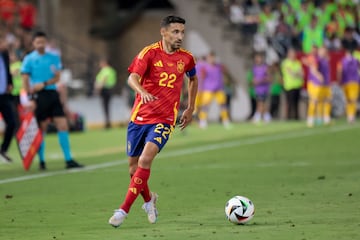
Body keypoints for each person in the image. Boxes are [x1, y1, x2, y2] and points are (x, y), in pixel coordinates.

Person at [108, 15, 198, 228]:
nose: (180, 36)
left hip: (165, 120)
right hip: (139, 118)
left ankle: (123, 210)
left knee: (145, 160)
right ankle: (149, 201)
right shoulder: (148, 53)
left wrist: (191, 107)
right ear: (163, 32)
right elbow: (132, 78)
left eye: (182, 32)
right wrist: (142, 91)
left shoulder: (186, 58)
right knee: (133, 169)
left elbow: (193, 79)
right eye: (176, 32)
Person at [21, 31, 83, 170]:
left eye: (42, 42)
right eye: (38, 42)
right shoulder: (29, 59)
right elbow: (25, 79)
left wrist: (44, 83)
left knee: (62, 124)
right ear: (33, 43)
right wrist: (29, 98)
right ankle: (42, 161)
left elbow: (57, 77)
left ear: (46, 42)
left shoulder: (53, 57)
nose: (40, 44)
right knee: (41, 127)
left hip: (52, 93)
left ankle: (68, 159)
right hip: (39, 97)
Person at [197, 52, 231, 129]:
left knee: (223, 105)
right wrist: (200, 89)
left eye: (213, 57)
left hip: (219, 89)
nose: (212, 59)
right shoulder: (204, 67)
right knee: (205, 106)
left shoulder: (219, 66)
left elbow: (226, 71)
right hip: (208, 89)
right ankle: (203, 121)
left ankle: (225, 120)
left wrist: (226, 79)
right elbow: (201, 78)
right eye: (210, 58)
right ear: (208, 58)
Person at [305, 46, 331, 127]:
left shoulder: (325, 60)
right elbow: (313, 69)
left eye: (325, 51)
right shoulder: (316, 59)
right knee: (314, 100)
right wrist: (319, 75)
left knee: (326, 100)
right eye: (322, 51)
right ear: (319, 52)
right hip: (315, 83)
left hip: (325, 84)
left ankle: (324, 119)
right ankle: (310, 119)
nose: (324, 53)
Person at [0, 33, 15, 163]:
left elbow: (7, 70)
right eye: (3, 41)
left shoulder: (4, 55)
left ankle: (3, 150)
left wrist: (10, 83)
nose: (5, 44)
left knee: (12, 122)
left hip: (3, 95)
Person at [336, 48, 359, 123]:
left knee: (350, 100)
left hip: (350, 82)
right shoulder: (355, 60)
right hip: (351, 82)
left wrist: (339, 80)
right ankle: (351, 116)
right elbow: (340, 71)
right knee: (351, 100)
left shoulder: (344, 61)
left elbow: (339, 71)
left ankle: (350, 116)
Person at [94, 58, 117, 129]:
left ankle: (107, 122)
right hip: (109, 89)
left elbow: (104, 79)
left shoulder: (106, 70)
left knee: (105, 106)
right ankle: (107, 121)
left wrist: (98, 89)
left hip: (105, 89)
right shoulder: (112, 70)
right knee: (106, 106)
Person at [281, 48, 304, 120]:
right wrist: (297, 73)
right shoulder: (285, 63)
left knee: (296, 103)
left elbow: (302, 74)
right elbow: (292, 74)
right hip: (289, 86)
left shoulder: (297, 62)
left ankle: (296, 117)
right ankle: (288, 117)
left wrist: (297, 73)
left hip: (297, 85)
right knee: (289, 103)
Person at [252, 52, 271, 123]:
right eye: (257, 58)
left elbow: (269, 78)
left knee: (262, 103)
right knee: (259, 102)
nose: (258, 59)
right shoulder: (254, 68)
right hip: (257, 89)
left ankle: (258, 116)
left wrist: (261, 80)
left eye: (259, 58)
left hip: (264, 88)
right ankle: (265, 116)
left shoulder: (265, 67)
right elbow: (254, 78)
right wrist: (254, 82)